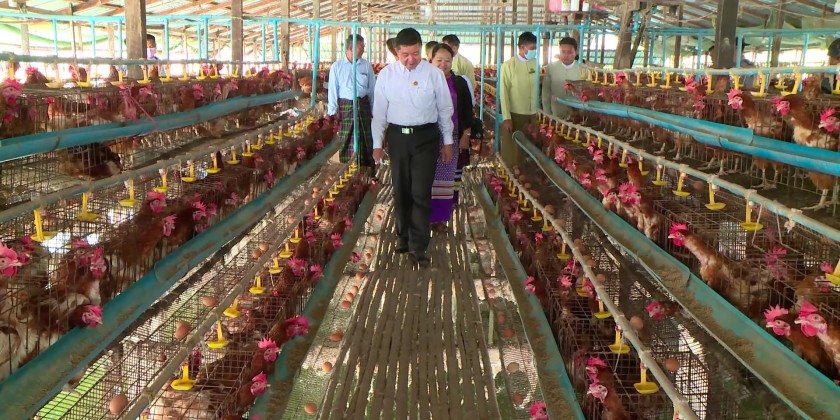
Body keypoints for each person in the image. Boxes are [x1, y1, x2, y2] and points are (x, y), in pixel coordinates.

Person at [371, 28, 454, 267]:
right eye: (405, 54)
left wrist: (447, 141)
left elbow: (445, 109)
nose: (411, 59)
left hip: (426, 138)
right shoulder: (386, 75)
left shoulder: (433, 74)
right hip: (398, 137)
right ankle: (403, 237)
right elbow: (379, 113)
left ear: (421, 49)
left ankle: (419, 245)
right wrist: (377, 144)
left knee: (421, 191)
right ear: (397, 52)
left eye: (416, 53)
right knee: (401, 189)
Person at [428, 44, 474, 229]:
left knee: (445, 177)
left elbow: (467, 111)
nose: (443, 64)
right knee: (426, 176)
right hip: (427, 136)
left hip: (452, 136)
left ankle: (439, 218)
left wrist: (466, 134)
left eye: (447, 60)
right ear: (431, 60)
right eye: (439, 60)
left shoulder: (460, 83)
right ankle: (423, 216)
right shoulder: (425, 81)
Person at [328, 34, 378, 177]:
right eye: (361, 47)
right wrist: (332, 115)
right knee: (347, 140)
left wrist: (374, 112)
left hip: (363, 106)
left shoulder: (366, 66)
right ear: (351, 47)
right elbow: (332, 92)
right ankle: (347, 174)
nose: (363, 49)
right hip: (346, 107)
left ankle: (367, 175)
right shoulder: (337, 67)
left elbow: (372, 90)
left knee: (366, 140)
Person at [499, 32, 538, 165]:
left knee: (531, 148)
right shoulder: (508, 65)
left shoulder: (535, 64)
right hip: (515, 114)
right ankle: (511, 172)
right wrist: (506, 117)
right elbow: (503, 93)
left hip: (533, 114)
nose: (534, 51)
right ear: (522, 47)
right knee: (513, 149)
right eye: (532, 48)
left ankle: (527, 172)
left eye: (535, 48)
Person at [541, 37, 583, 119]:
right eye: (563, 52)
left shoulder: (582, 69)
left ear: (576, 52)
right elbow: (546, 92)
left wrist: (581, 113)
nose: (566, 55)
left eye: (569, 52)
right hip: (555, 114)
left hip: (576, 116)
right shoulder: (551, 68)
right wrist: (547, 114)